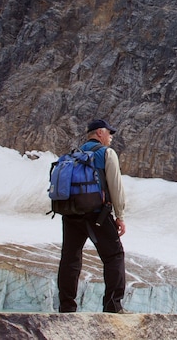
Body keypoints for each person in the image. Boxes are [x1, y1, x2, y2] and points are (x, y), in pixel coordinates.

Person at [57, 119, 128, 313]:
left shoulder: (75, 155)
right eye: (109, 133)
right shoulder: (106, 153)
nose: (111, 137)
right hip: (97, 214)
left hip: (71, 213)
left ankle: (67, 307)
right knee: (114, 256)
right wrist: (120, 215)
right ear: (99, 133)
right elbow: (115, 186)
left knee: (70, 258)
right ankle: (113, 306)